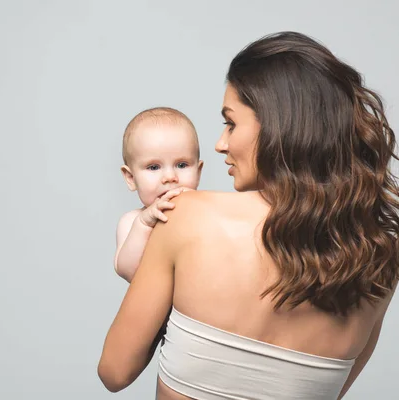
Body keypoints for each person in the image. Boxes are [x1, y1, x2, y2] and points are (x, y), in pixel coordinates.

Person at [98, 31, 399, 400]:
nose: (220, 144)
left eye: (231, 123)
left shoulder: (187, 216)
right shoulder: (381, 258)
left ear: (278, 125)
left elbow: (115, 371)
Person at [115, 107, 203, 283]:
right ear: (131, 178)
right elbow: (129, 272)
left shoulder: (206, 213)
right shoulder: (133, 221)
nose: (170, 177)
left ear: (198, 172)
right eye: (154, 167)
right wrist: (144, 224)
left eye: (182, 165)